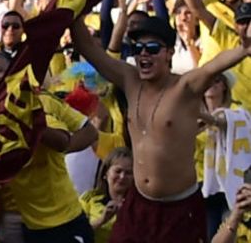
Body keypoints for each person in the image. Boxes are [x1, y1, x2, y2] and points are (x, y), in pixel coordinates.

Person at [69, 12, 251, 243]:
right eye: (138, 49)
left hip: (180, 209)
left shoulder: (184, 87)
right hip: (138, 203)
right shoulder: (129, 79)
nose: (144, 53)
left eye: (153, 48)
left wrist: (244, 49)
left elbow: (211, 68)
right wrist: (74, 12)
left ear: (169, 53)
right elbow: (88, 49)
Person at [0, 51, 98, 243]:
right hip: (22, 221)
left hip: (64, 217)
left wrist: (43, 134)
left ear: (12, 73)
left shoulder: (38, 101)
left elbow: (84, 134)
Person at [80, 147, 134, 243]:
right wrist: (102, 220)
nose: (122, 177)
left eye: (128, 173)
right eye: (118, 171)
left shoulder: (140, 205)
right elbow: (77, 234)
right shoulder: (89, 199)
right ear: (106, 173)